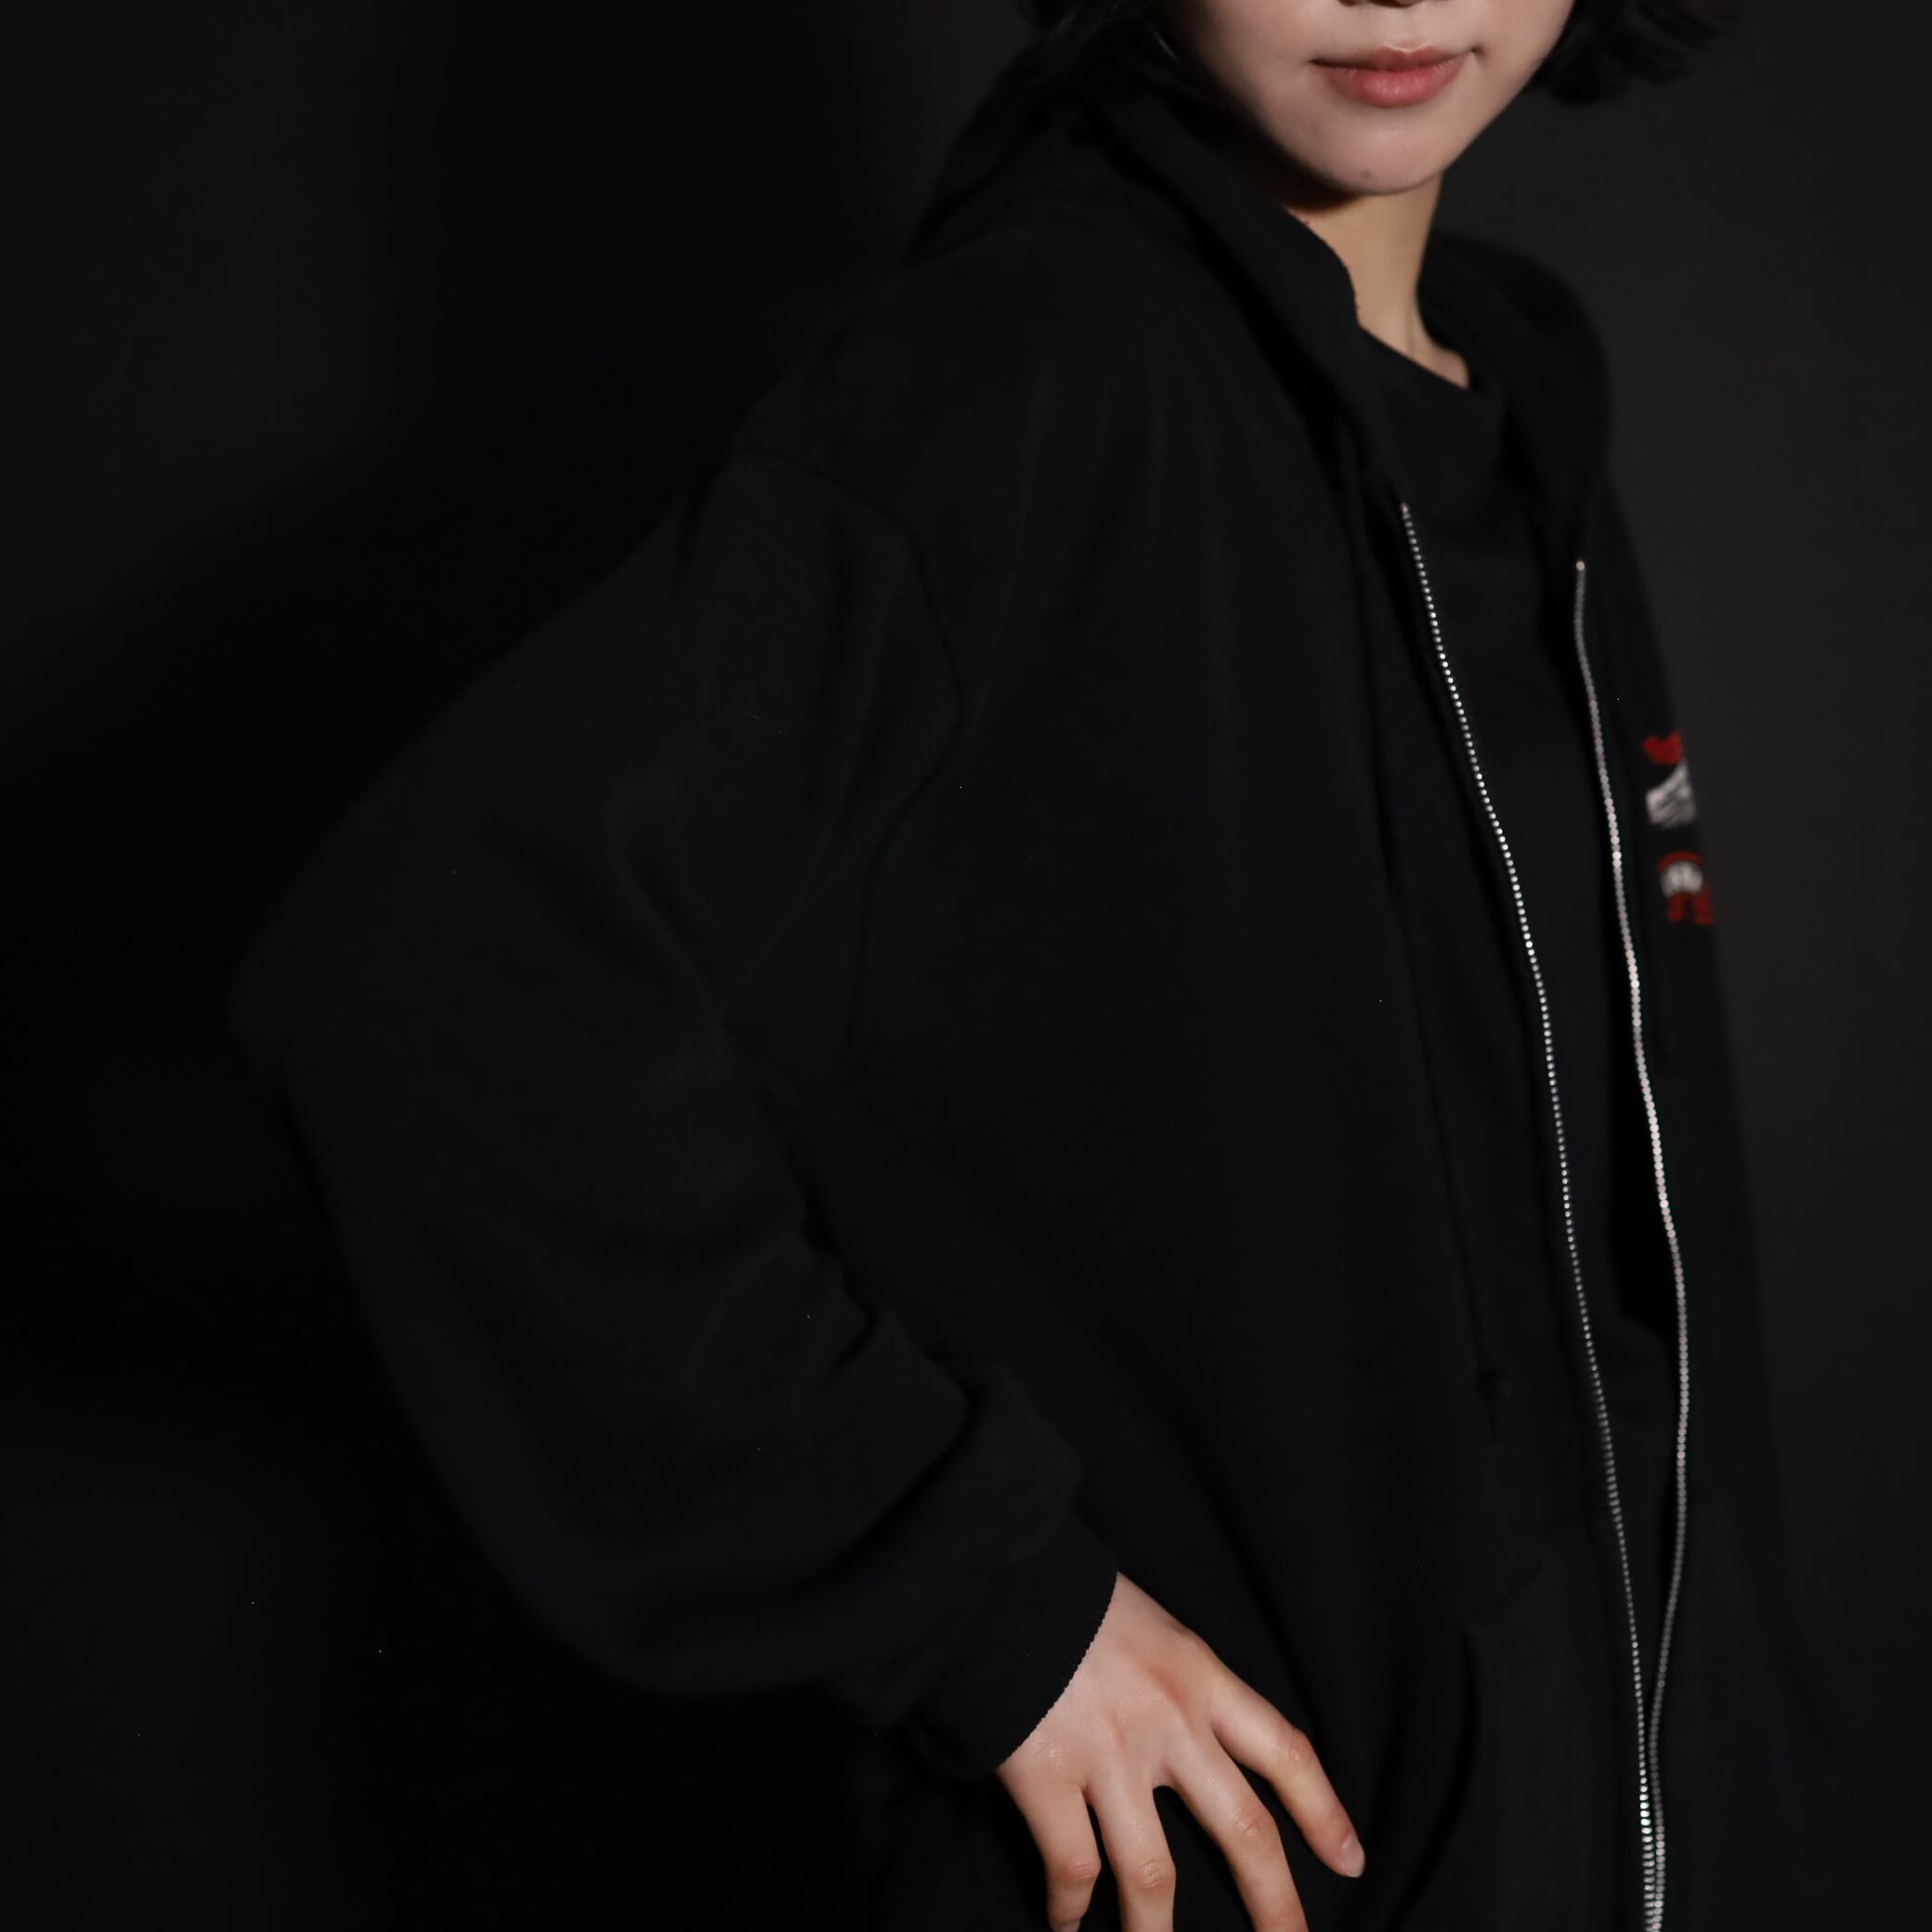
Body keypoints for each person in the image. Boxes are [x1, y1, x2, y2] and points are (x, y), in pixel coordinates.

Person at [226, 3, 1838, 1927]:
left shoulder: (1519, 425)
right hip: (1227, 1860)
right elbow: (437, 980)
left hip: (1632, 1821)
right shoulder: (1030, 372)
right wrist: (976, 1591)